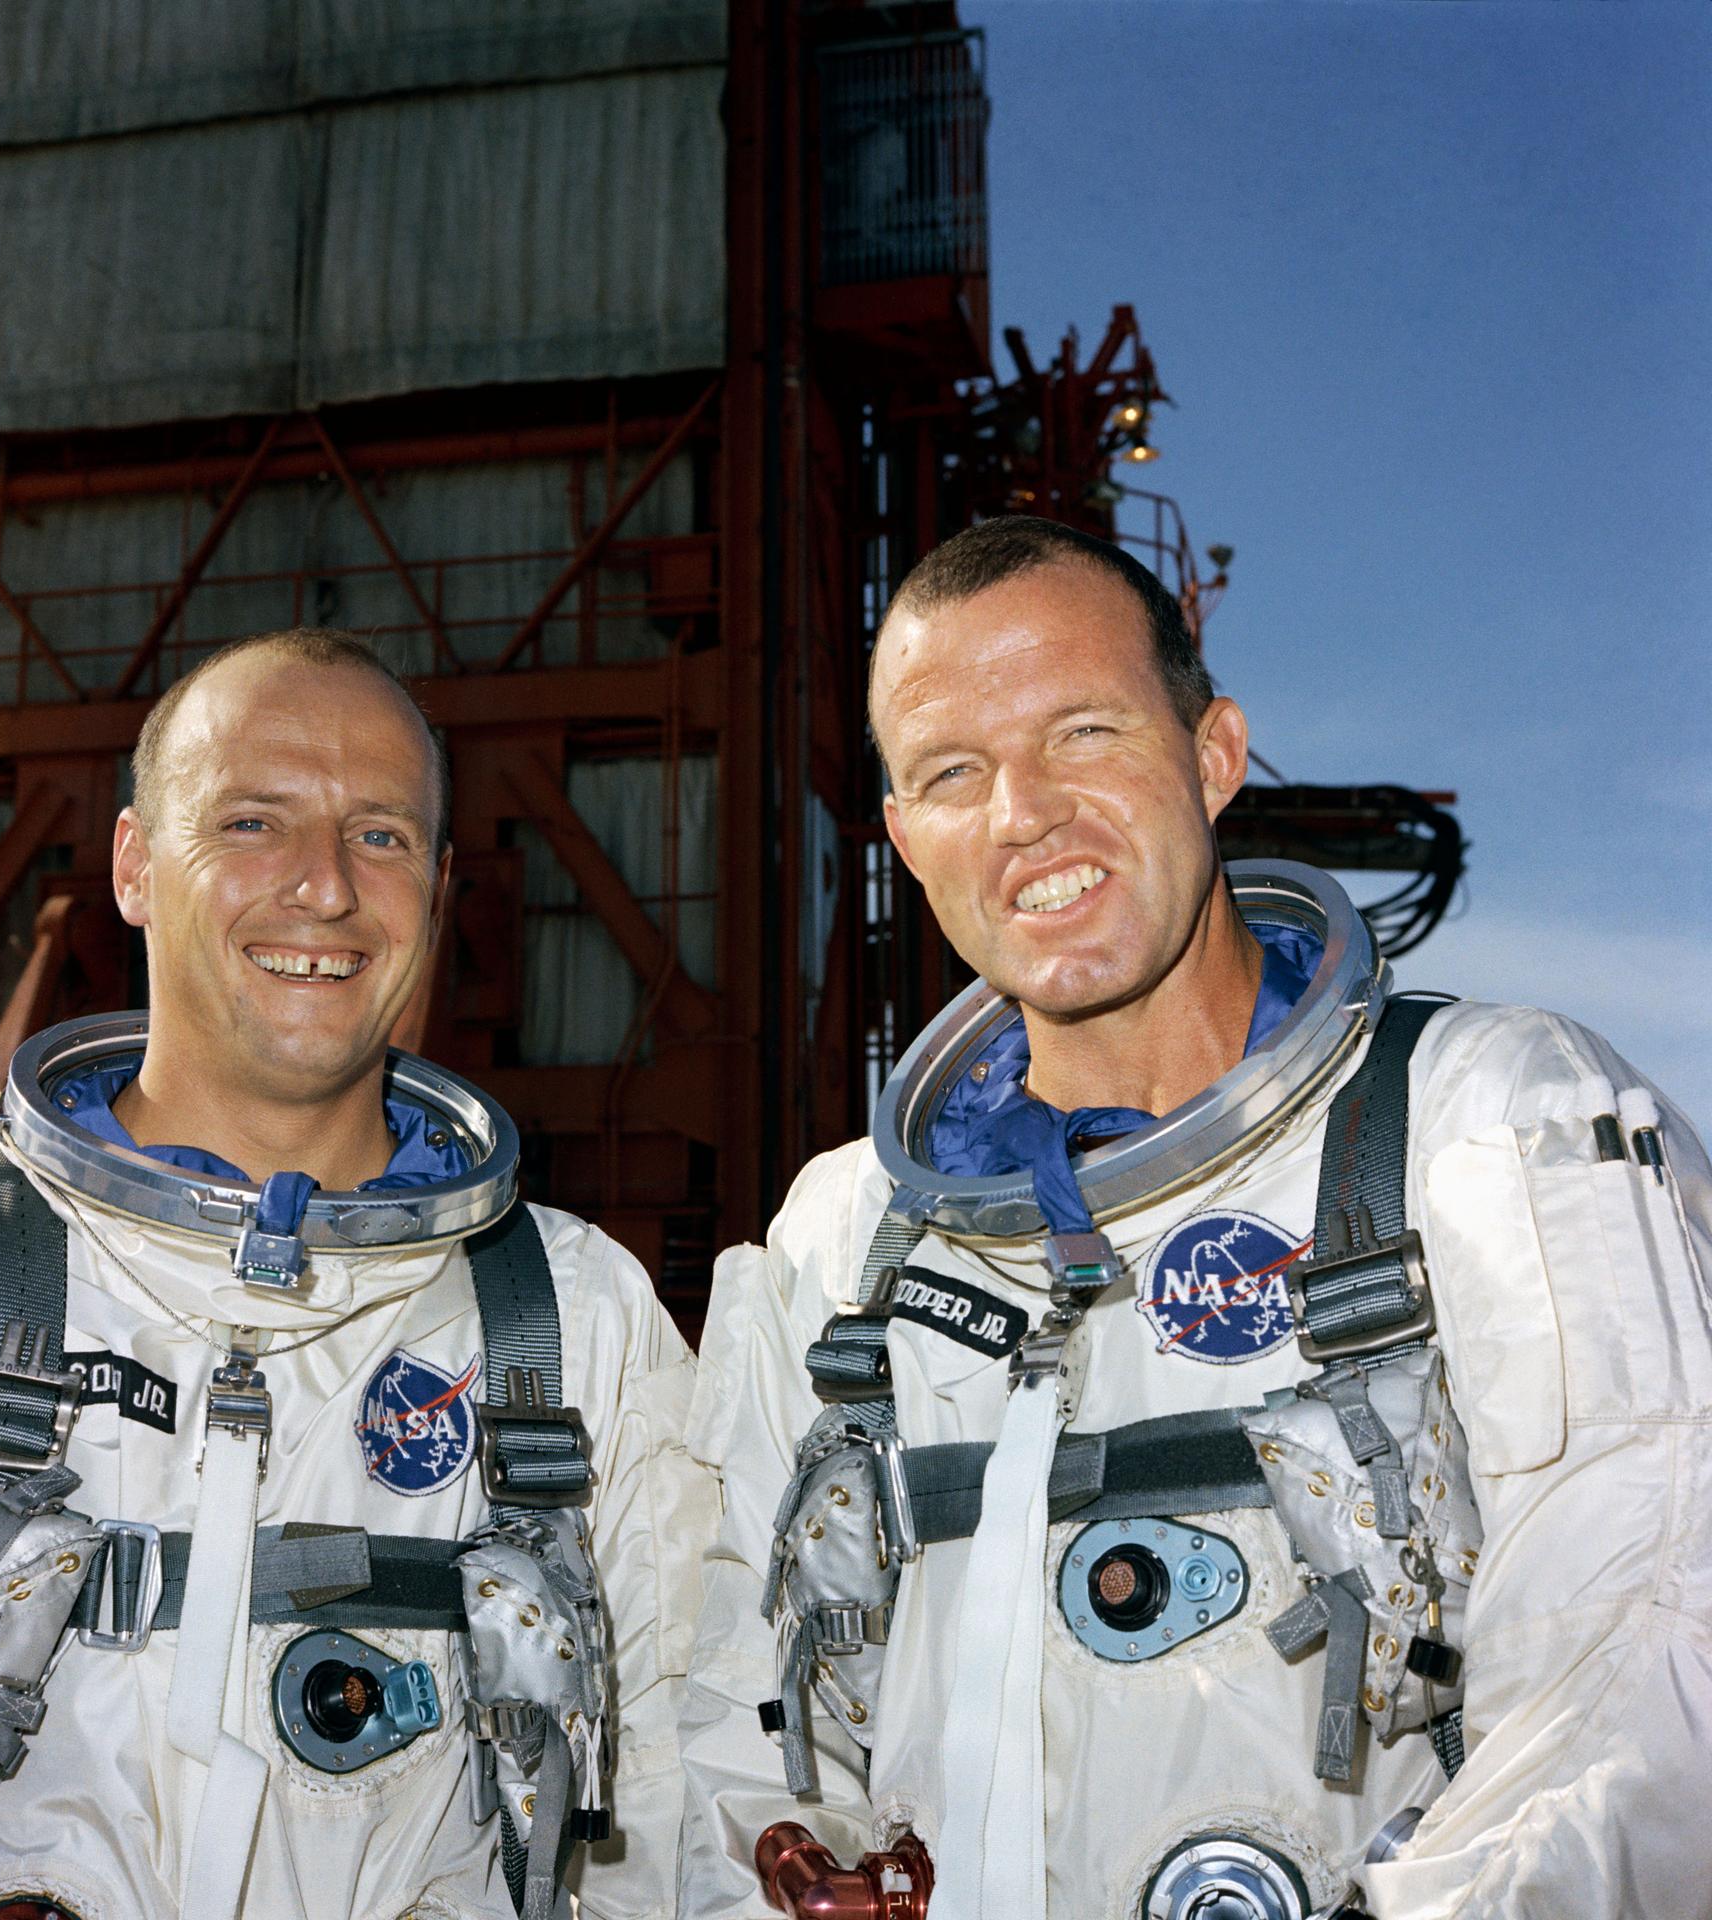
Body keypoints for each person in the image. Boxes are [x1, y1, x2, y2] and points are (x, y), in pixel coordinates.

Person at [678, 519, 1712, 1920]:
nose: (1025, 813)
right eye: (953, 773)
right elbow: (733, 1726)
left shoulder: (1491, 1125)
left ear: (1214, 755)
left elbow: (1638, 1673)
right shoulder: (843, 1242)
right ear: (907, 838)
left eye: (1085, 734)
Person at [0, 630, 710, 1920]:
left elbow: (673, 1825)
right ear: (132, 864)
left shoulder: (570, 1317)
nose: (326, 890)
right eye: (251, 822)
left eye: (382, 836)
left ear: (441, 887)